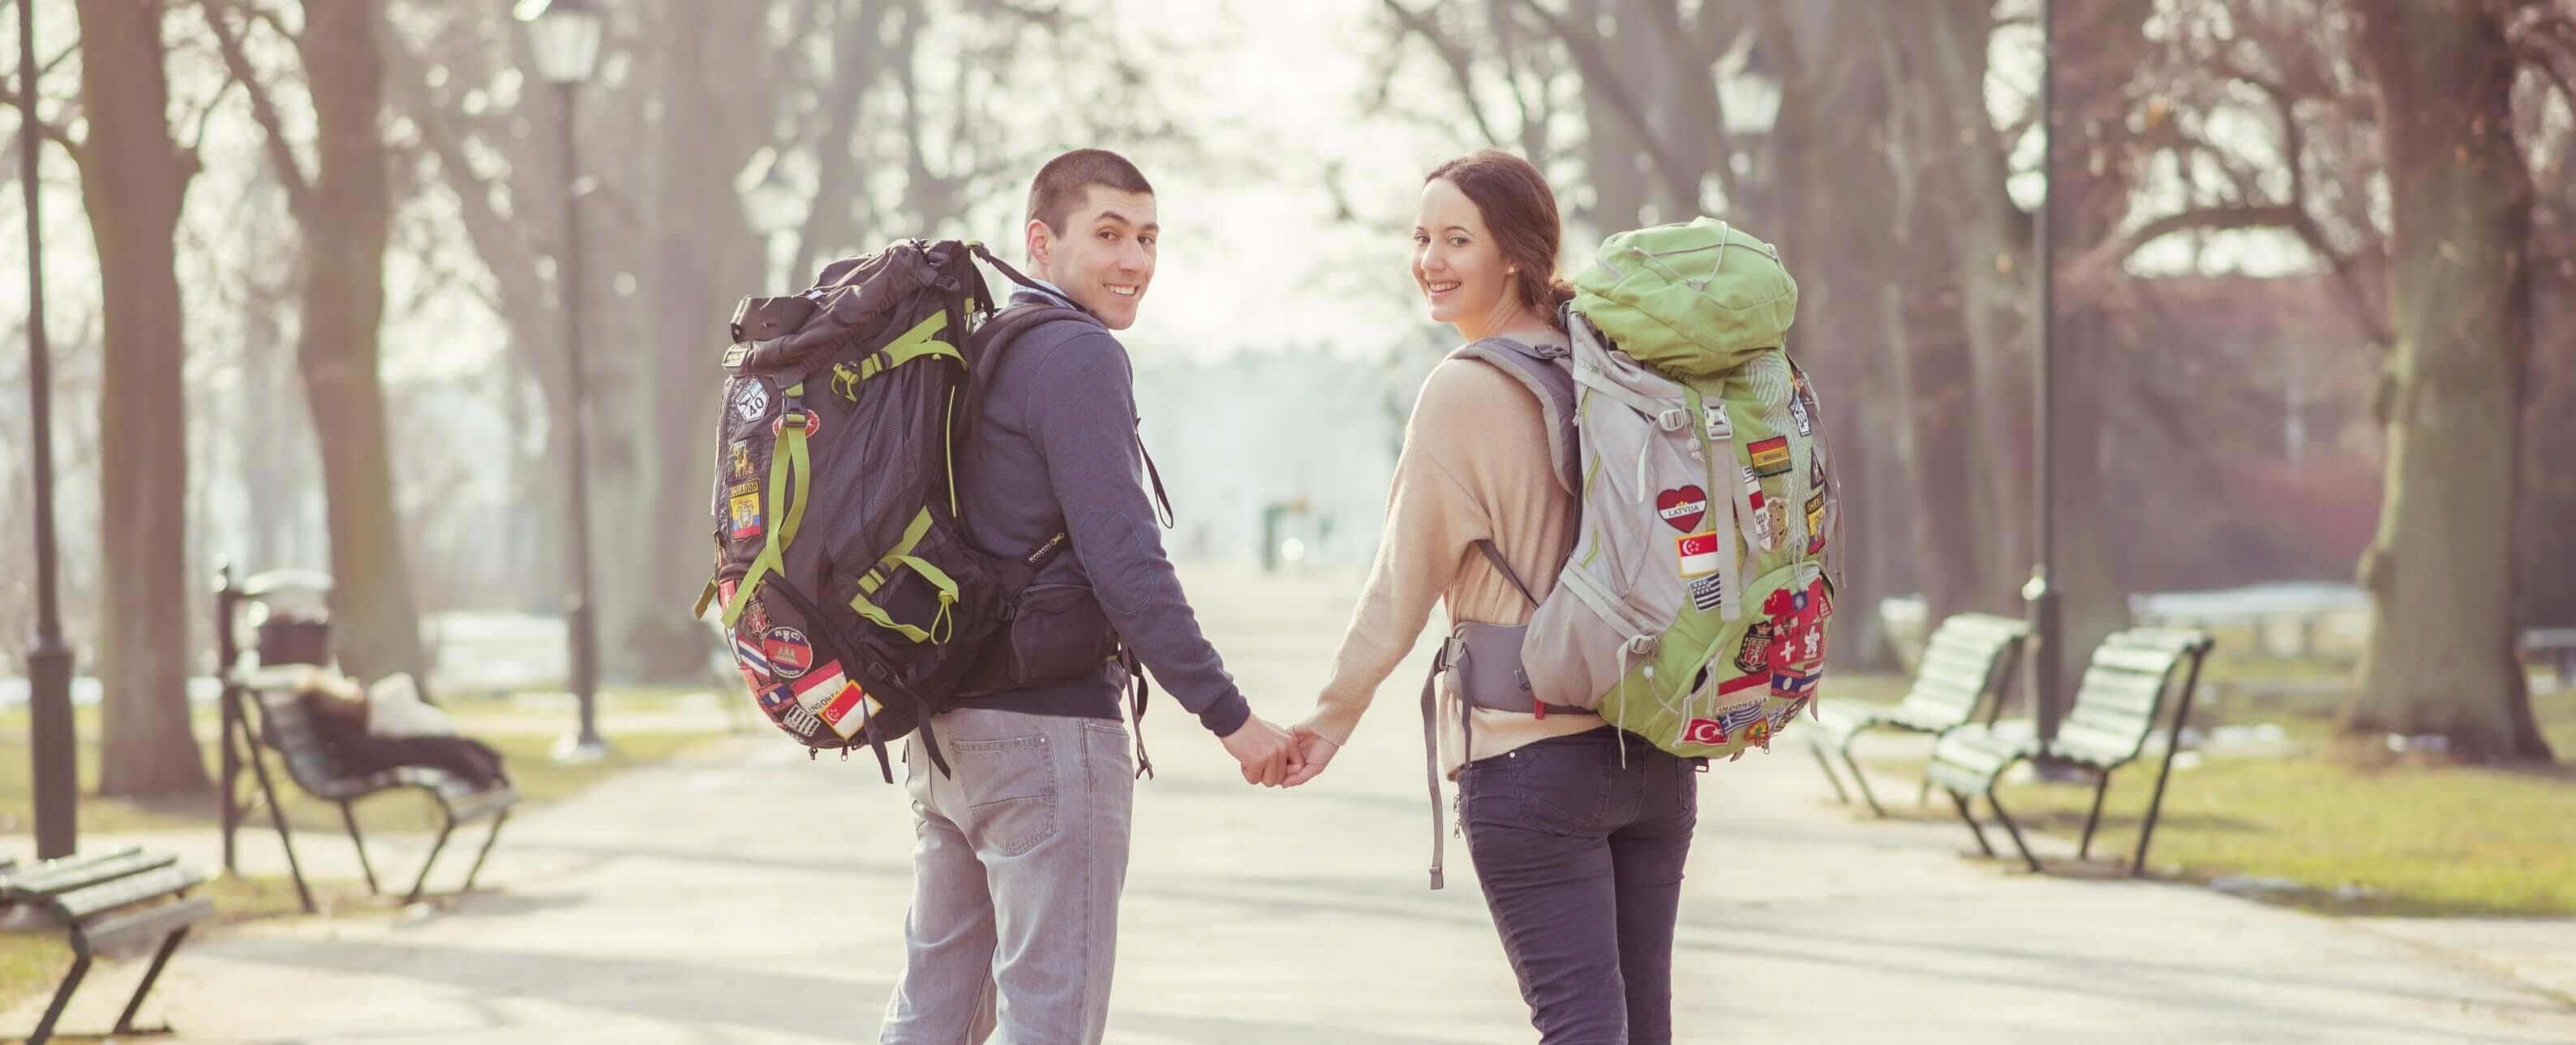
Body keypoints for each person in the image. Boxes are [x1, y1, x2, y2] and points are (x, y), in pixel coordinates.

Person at [878, 148, 1300, 1045]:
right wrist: (1231, 718)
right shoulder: (1076, 355)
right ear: (1041, 240)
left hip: (953, 731)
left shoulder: (985, 345)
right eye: (1107, 234)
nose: (1134, 261)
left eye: (1147, 238)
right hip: (1045, 740)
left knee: (931, 1015)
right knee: (1050, 1021)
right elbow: (1126, 562)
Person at [1283, 149, 1699, 1044]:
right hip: (1651, 753)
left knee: (1580, 1022)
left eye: (1455, 239)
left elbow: (1403, 578)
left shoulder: (1465, 389)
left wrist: (1328, 719)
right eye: (1420, 236)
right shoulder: (1612, 366)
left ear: (1511, 253)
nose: (1428, 260)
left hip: (1531, 758)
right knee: (1641, 1026)